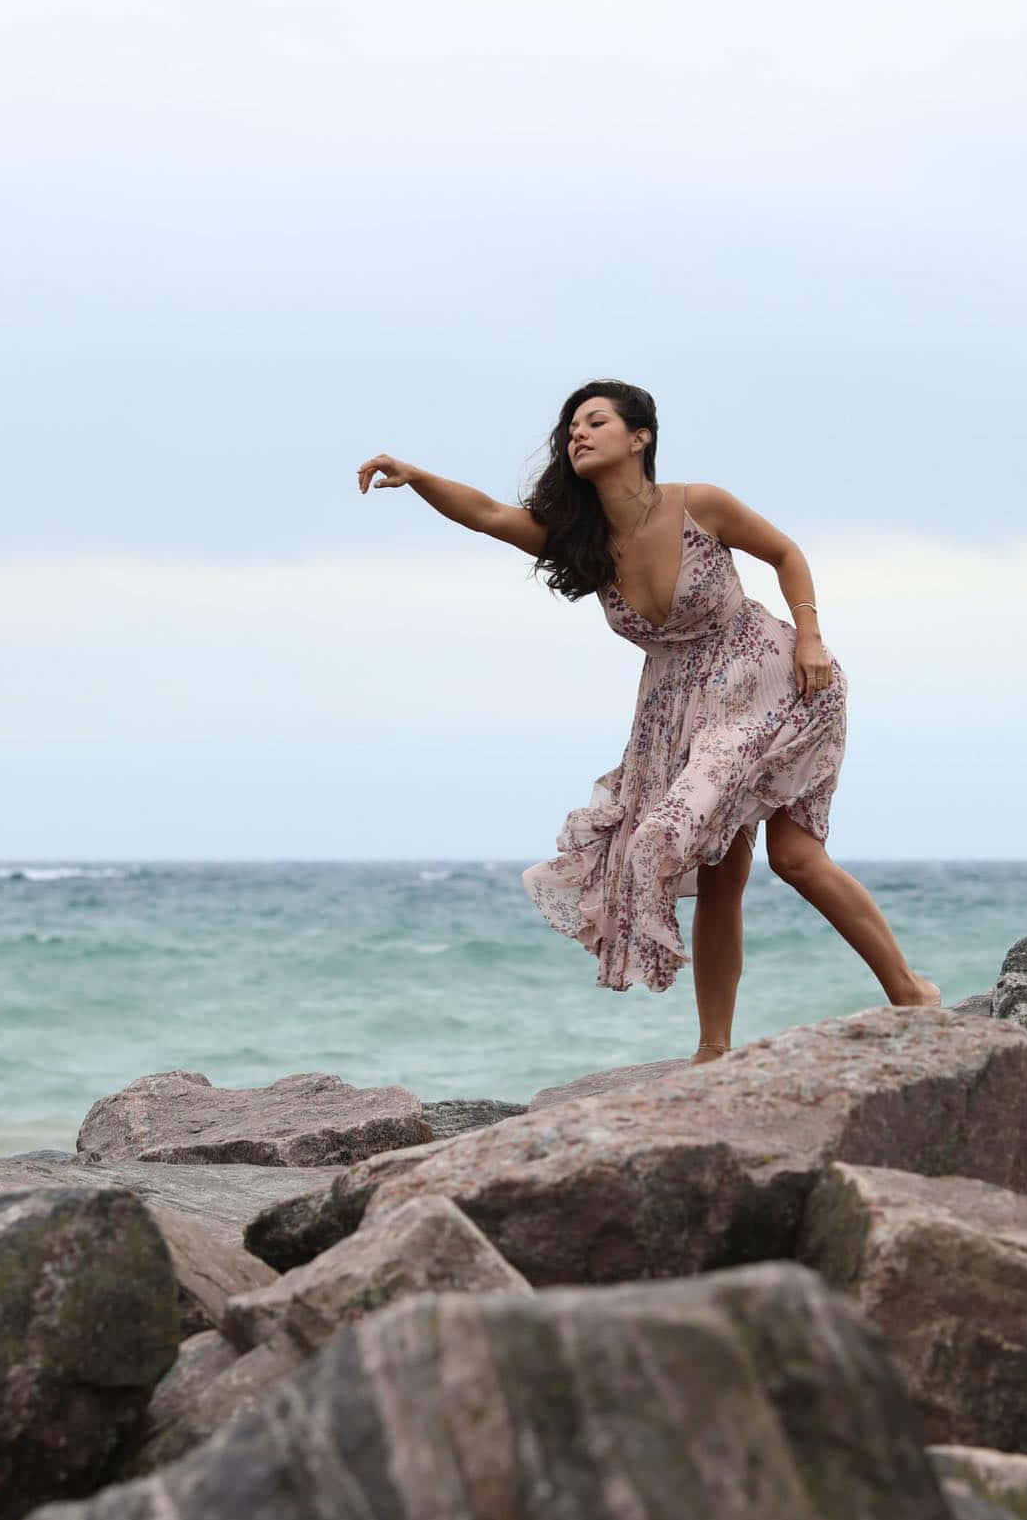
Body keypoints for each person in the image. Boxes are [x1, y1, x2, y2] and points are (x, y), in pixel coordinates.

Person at [357, 378, 940, 1061]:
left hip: (776, 683)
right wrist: (418, 476)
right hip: (678, 715)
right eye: (571, 426)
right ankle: (715, 1048)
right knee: (727, 875)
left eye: (595, 421)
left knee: (775, 855)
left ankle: (909, 992)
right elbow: (486, 513)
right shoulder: (583, 539)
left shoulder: (700, 505)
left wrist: (811, 636)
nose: (577, 433)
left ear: (640, 437)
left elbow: (785, 554)